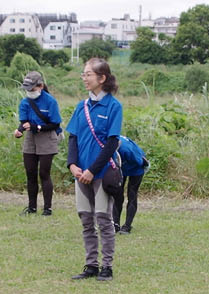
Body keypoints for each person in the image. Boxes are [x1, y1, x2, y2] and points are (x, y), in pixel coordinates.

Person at [66, 57, 123, 281]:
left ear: (102, 78)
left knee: (103, 219)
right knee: (86, 219)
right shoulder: (82, 106)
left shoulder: (113, 106)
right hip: (80, 174)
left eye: (88, 74)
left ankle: (107, 266)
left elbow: (111, 143)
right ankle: (91, 264)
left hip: (102, 172)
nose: (84, 78)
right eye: (84, 74)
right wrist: (72, 165)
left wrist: (92, 170)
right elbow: (73, 137)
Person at [15, 70, 63, 215]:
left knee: (44, 173)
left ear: (40, 86)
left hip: (47, 137)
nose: (30, 92)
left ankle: (47, 208)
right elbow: (24, 121)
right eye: (27, 89)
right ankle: (32, 207)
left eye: (32, 89)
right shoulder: (25, 102)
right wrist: (19, 130)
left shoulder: (50, 101)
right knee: (30, 172)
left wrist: (38, 127)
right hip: (31, 137)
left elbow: (55, 124)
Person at [111, 136, 148, 234]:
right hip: (121, 167)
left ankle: (127, 226)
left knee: (132, 193)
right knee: (117, 194)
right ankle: (115, 224)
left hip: (137, 167)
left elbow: (140, 161)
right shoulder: (108, 141)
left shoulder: (126, 149)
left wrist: (145, 164)